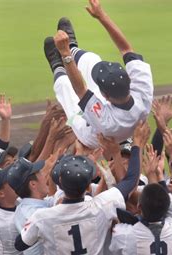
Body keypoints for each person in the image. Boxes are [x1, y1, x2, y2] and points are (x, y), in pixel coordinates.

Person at [14, 120, 149, 255]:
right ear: (88, 185)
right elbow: (130, 180)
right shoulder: (100, 206)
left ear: (60, 182)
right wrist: (136, 145)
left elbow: (20, 244)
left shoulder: (44, 216)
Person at [44, 0, 153, 148]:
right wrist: (102, 15)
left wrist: (65, 55)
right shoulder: (142, 91)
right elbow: (126, 50)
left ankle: (57, 65)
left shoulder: (107, 122)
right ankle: (72, 47)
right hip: (118, 114)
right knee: (92, 59)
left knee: (66, 88)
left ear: (105, 96)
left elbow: (80, 90)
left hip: (93, 134)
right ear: (129, 80)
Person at [8, 156, 55, 255]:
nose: (45, 176)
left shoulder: (32, 205)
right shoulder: (33, 213)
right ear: (33, 184)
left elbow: (57, 200)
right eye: (40, 173)